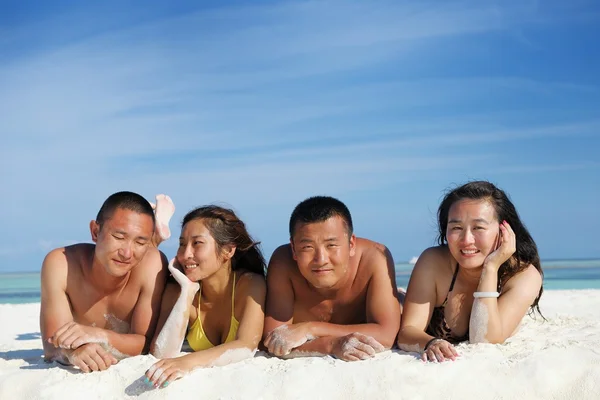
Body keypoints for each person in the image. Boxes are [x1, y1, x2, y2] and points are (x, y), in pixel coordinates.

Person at [397, 181, 544, 362]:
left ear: (504, 230)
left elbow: (483, 342)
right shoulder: (434, 262)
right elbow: (407, 332)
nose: (466, 240)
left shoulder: (523, 276)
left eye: (478, 227)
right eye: (456, 228)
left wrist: (491, 268)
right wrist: (431, 342)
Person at [40, 191, 171, 372]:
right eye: (119, 237)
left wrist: (99, 336)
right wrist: (73, 351)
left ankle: (156, 231)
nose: (127, 253)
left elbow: (146, 342)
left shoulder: (152, 265)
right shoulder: (61, 265)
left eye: (140, 242)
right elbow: (51, 344)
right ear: (95, 231)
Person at [263, 196, 401, 361]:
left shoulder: (374, 257)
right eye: (307, 247)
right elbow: (273, 341)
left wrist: (310, 329)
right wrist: (331, 344)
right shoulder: (283, 263)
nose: (321, 259)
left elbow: (386, 334)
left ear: (351, 244)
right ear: (293, 248)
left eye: (331, 245)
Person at [145, 205, 267, 389]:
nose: (186, 254)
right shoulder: (177, 289)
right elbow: (161, 352)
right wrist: (187, 292)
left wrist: (187, 362)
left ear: (228, 250)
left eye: (197, 243)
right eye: (182, 244)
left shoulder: (250, 285)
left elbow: (245, 346)